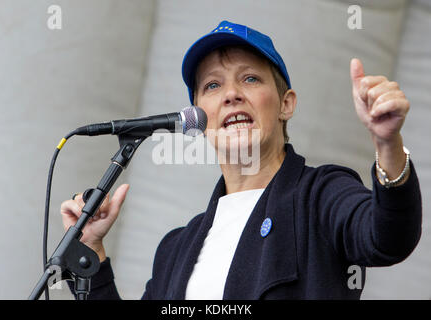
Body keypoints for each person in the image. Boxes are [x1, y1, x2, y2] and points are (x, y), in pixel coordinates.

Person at [60, 20, 422, 299]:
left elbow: (388, 237)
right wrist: (90, 251)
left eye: (249, 78)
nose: (231, 94)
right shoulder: (176, 248)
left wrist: (387, 143)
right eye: (213, 86)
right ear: (199, 119)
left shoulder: (320, 196)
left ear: (286, 104)